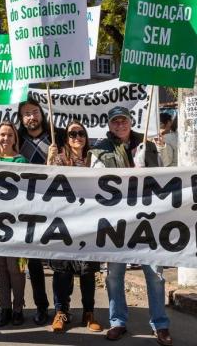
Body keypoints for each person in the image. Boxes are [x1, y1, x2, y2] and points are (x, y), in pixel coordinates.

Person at [89, 106, 172, 346]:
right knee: (114, 275)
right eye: (115, 122)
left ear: (130, 122)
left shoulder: (148, 143)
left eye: (123, 120)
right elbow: (96, 180)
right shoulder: (99, 150)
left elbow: (167, 172)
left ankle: (161, 325)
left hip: (148, 221)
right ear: (109, 125)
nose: (120, 125)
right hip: (116, 222)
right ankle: (118, 322)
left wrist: (159, 151)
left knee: (155, 275)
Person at [47, 120, 103, 333]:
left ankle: (89, 313)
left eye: (81, 133)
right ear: (66, 138)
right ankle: (61, 311)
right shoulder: (59, 158)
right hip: (64, 223)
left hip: (89, 223)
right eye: (72, 134)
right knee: (62, 270)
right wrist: (49, 160)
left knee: (87, 271)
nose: (77, 137)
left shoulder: (95, 159)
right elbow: (46, 184)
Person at [17, 97, 66, 325]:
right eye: (26, 113)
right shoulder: (16, 138)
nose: (31, 117)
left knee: (58, 261)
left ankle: (60, 307)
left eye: (34, 112)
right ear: (21, 118)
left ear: (41, 113)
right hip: (28, 209)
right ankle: (41, 307)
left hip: (56, 207)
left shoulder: (59, 135)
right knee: (34, 264)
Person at [0, 122, 27, 327]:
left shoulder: (21, 160)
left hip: (17, 222)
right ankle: (4, 307)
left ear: (15, 139)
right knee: (1, 267)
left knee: (16, 268)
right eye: (2, 135)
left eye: (9, 135)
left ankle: (18, 308)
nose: (5, 139)